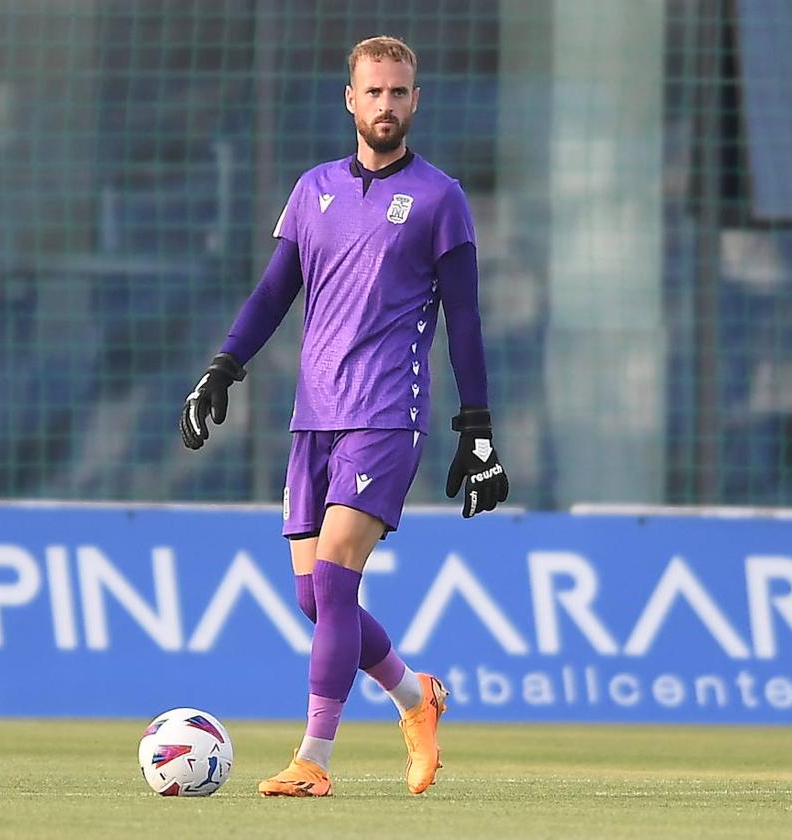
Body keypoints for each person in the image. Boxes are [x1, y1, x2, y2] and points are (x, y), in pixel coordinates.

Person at [179, 35, 509, 798]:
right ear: (350, 100)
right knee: (314, 599)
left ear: (415, 101)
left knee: (333, 584)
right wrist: (222, 369)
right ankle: (413, 697)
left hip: (387, 414)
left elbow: (466, 319)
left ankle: (313, 762)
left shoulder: (439, 198)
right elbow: (272, 294)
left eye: (400, 92)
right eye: (375, 92)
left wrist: (478, 425)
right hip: (313, 415)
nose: (387, 105)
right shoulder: (312, 189)